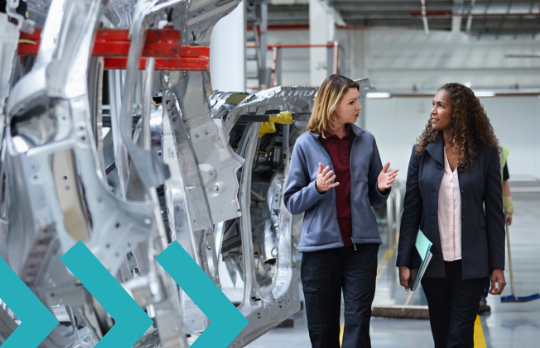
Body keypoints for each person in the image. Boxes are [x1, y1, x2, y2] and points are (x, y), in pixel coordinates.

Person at [283, 74, 398, 348]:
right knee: (323, 329)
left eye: (357, 100)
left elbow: (375, 199)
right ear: (333, 105)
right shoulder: (305, 145)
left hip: (361, 248)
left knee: (358, 324)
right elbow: (291, 201)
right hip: (320, 250)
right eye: (352, 101)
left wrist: (381, 188)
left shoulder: (366, 140)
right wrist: (316, 189)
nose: (359, 107)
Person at [396, 83, 506, 348]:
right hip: (433, 263)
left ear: (458, 113)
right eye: (434, 104)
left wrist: (497, 265)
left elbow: (494, 212)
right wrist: (404, 260)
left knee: (459, 337)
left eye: (440, 105)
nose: (433, 111)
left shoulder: (487, 155)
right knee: (441, 334)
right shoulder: (421, 154)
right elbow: (411, 210)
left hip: (472, 263)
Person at [479, 147, 514, 313]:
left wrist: (508, 208)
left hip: (491, 211)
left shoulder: (500, 153)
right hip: (474, 211)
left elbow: (503, 182)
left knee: (487, 255)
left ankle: (481, 296)